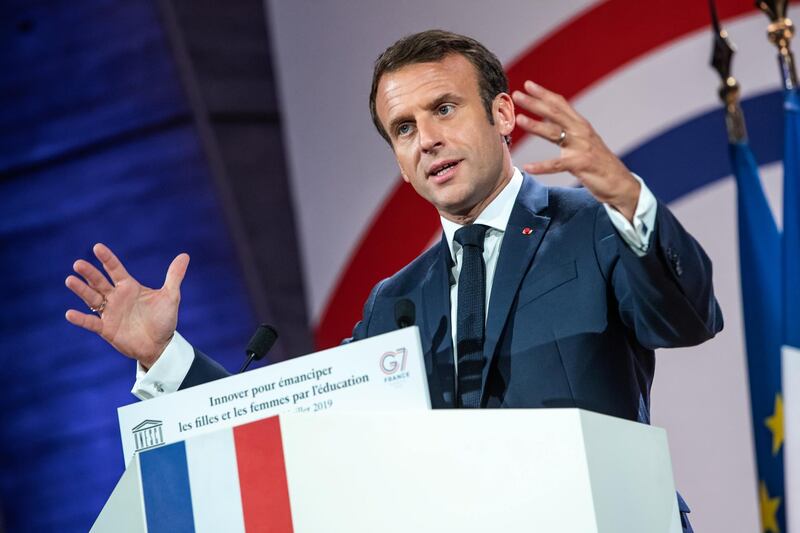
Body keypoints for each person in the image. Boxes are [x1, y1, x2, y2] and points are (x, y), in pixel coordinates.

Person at [66, 30, 720, 531]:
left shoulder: (591, 224)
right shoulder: (395, 301)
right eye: (404, 128)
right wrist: (165, 356)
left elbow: (686, 318)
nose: (427, 139)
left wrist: (630, 199)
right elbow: (302, 435)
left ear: (500, 115)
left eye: (444, 109)